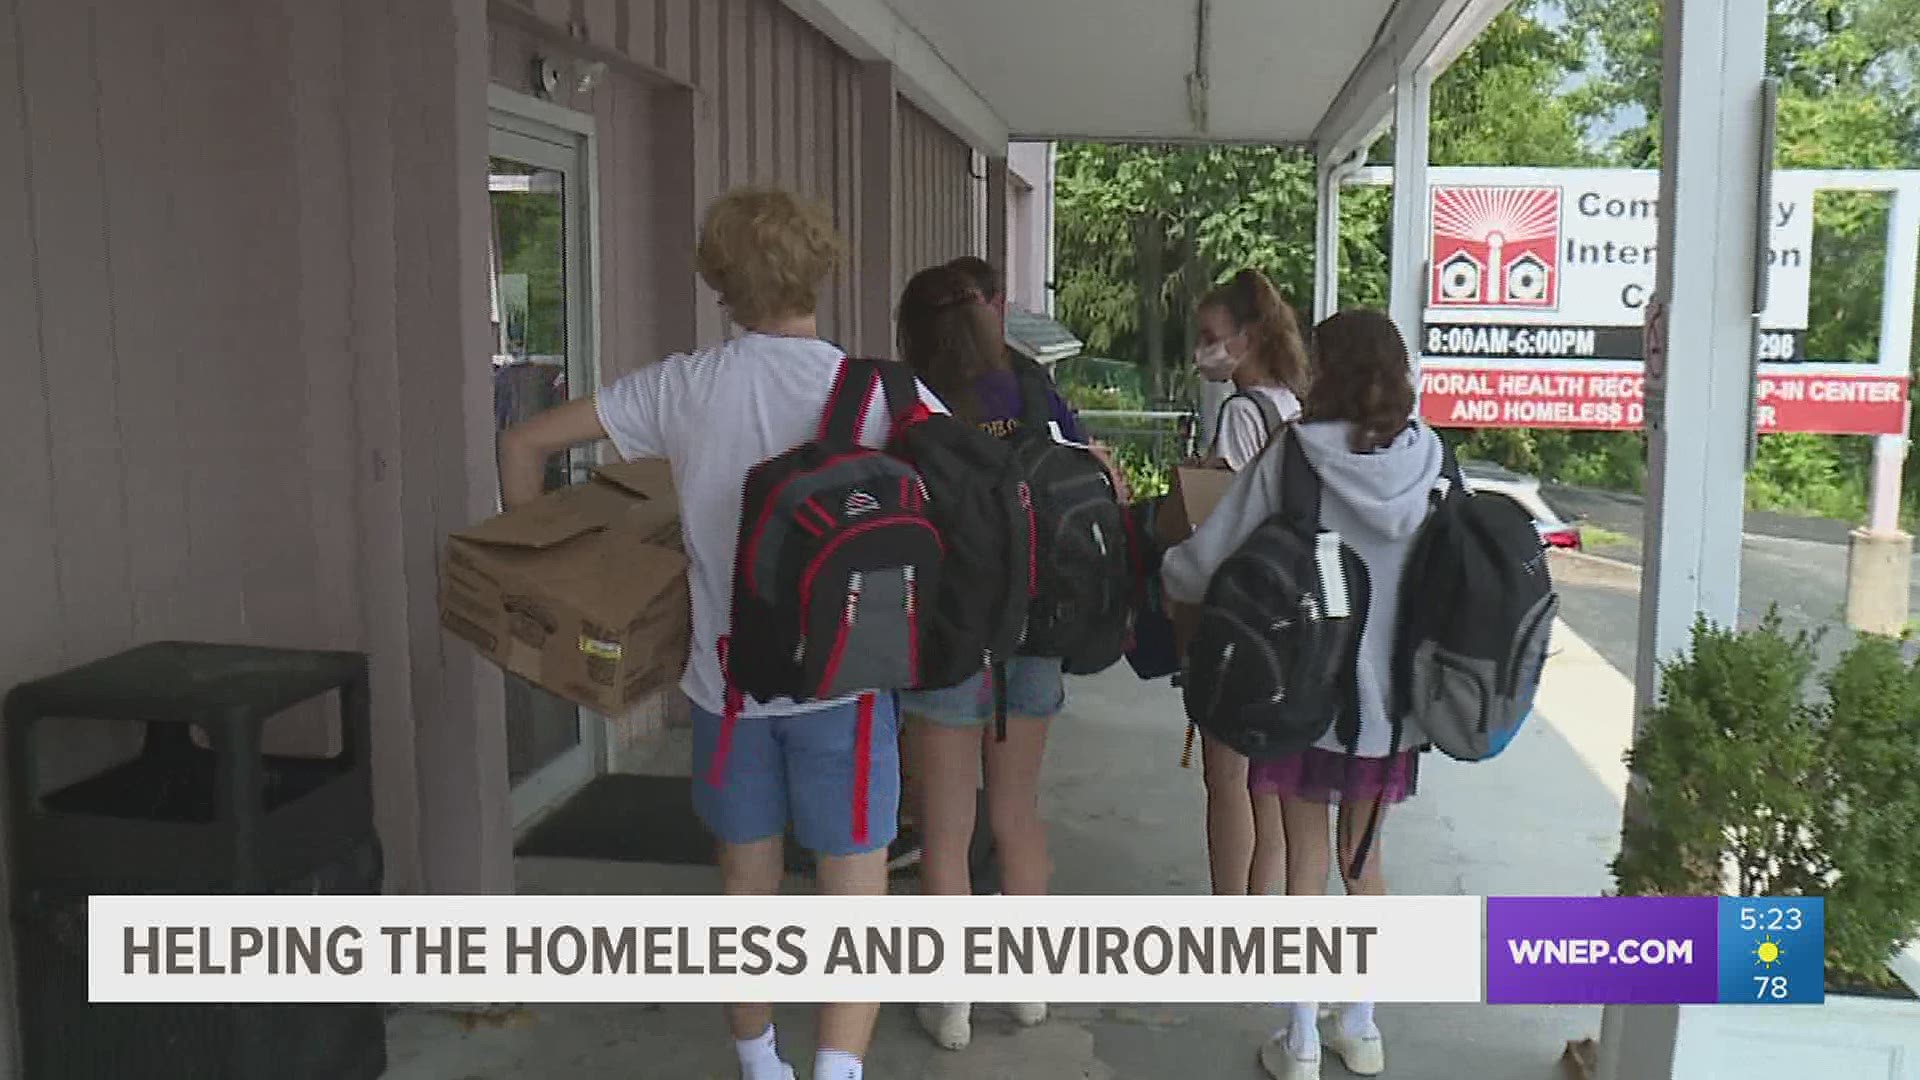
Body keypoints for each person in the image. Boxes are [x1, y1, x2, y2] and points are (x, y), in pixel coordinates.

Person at [496, 187, 942, 1080]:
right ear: (820, 270)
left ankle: (760, 1063)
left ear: (722, 287)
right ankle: (838, 1073)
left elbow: (525, 445)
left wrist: (557, 584)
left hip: (726, 687)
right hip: (850, 687)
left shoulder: (683, 387)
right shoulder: (884, 393)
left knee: (746, 888)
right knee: (855, 894)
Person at [1162, 309, 1441, 1080]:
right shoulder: (1432, 459)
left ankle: (1301, 1038)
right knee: (1366, 862)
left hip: (1303, 692)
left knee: (1305, 861)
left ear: (1328, 370)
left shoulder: (1296, 456)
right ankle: (1361, 1025)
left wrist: (1165, 579)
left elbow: (1211, 556)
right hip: (1391, 712)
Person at [893, 264, 1082, 1051]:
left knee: (945, 829)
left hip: (942, 642)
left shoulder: (904, 403)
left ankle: (952, 1004)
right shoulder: (1035, 393)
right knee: (1016, 814)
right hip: (1033, 635)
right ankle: (1028, 988)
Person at [1187, 269, 1312, 900]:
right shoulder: (1294, 405)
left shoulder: (1242, 411)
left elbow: (1221, 520)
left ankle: (1230, 910)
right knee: (1271, 786)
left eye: (1213, 336)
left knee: (1227, 779)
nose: (1204, 349)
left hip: (1239, 614)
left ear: (1249, 336)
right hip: (1290, 615)